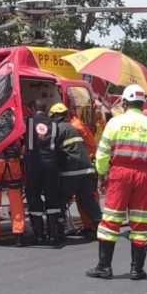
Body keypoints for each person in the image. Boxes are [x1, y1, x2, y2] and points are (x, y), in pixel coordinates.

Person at [87, 84, 147, 281]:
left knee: (110, 221)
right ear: (143, 104)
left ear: (123, 102)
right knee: (141, 223)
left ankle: (104, 267)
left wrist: (101, 175)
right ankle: (136, 270)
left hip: (119, 175)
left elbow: (102, 154)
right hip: (144, 176)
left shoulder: (114, 124)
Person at [48, 102, 102, 242]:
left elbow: (51, 150)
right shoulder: (74, 127)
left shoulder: (57, 129)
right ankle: (100, 229)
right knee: (87, 200)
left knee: (60, 200)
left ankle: (59, 231)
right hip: (88, 170)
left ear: (53, 117)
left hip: (72, 172)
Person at [23, 99, 64, 245]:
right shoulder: (53, 124)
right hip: (50, 165)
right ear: (46, 110)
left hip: (33, 166)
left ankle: (39, 235)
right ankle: (53, 235)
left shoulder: (28, 122)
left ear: (33, 108)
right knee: (52, 198)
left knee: (34, 198)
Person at [0, 140, 26, 247]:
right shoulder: (14, 125)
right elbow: (20, 146)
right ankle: (18, 235)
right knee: (16, 200)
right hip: (13, 163)